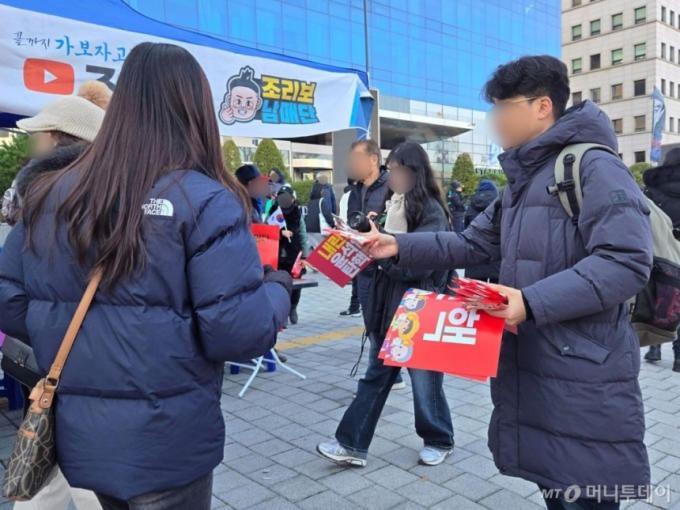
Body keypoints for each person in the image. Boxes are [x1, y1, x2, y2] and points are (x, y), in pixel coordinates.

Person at [0, 42, 291, 510]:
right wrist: (278, 289)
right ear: (194, 108)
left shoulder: (53, 194)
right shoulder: (206, 199)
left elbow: (9, 301)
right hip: (170, 443)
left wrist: (77, 331)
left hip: (86, 437)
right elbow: (238, 332)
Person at [361, 56, 652, 509]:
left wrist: (530, 302)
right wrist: (396, 245)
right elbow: (470, 243)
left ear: (541, 106)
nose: (494, 119)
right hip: (538, 361)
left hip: (584, 370)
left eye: (503, 106)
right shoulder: (522, 180)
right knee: (556, 482)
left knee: (586, 489)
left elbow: (627, 263)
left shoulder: (593, 168)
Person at [1, 81, 111, 510]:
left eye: (38, 137)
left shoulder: (40, 197)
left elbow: (8, 298)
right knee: (67, 479)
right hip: (108, 371)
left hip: (58, 368)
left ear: (57, 140)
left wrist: (48, 334)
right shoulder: (123, 195)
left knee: (59, 477)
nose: (33, 146)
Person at [317, 142, 454, 467]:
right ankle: (351, 444)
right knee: (376, 379)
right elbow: (384, 244)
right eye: (389, 170)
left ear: (414, 173)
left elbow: (420, 264)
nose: (391, 176)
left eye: (397, 170)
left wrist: (381, 255)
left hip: (419, 311)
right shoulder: (391, 203)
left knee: (425, 381)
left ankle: (439, 438)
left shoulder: (431, 210)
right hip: (388, 308)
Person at [346, 139, 404, 389]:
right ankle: (387, 374)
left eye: (357, 159)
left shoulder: (390, 186)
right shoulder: (355, 191)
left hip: (386, 267)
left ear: (373, 160)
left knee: (384, 320)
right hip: (362, 267)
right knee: (371, 320)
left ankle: (380, 377)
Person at [642, 147, 680, 371]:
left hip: (659, 255)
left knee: (660, 299)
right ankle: (678, 358)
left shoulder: (652, 190)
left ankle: (654, 348)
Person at [273, 185, 307, 325]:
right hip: (278, 256)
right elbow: (266, 232)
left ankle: (293, 308)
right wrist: (280, 233)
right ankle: (284, 312)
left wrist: (305, 256)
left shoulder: (298, 214)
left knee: (296, 286)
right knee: (281, 285)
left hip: (295, 255)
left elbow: (303, 235)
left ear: (293, 199)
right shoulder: (273, 213)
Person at [463, 178, 500, 283]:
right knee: (496, 296)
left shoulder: (471, 205)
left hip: (475, 256)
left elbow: (465, 230)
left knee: (475, 297)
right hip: (496, 258)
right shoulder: (501, 204)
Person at [338, 180, 361, 318]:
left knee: (358, 276)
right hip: (354, 237)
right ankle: (356, 306)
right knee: (358, 276)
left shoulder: (350, 194)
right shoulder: (352, 194)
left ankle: (356, 306)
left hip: (355, 237)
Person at [305, 181, 335, 250]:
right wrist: (333, 225)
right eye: (322, 190)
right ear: (319, 191)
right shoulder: (321, 201)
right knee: (321, 251)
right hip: (318, 229)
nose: (322, 192)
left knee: (313, 251)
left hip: (308, 230)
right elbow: (327, 215)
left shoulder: (310, 202)